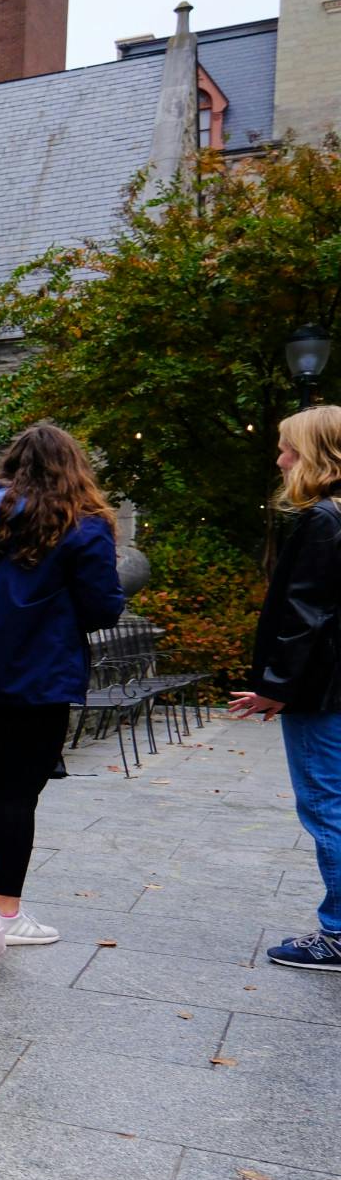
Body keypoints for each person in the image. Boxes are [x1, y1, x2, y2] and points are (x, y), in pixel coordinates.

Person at [0, 425, 125, 946]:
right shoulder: (82, 526)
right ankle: (6, 915)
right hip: (37, 675)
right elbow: (103, 607)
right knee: (15, 794)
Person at [229, 406, 341, 971]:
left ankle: (339, 932)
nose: (280, 460)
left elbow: (306, 612)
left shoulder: (325, 519)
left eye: (288, 449)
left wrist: (276, 685)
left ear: (317, 455)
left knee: (328, 805)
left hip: (324, 691)